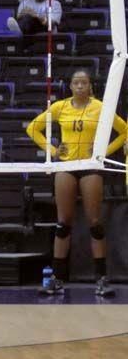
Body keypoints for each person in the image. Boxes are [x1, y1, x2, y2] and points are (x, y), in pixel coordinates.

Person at [26, 69, 126, 296]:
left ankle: (101, 279)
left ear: (90, 86)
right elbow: (33, 128)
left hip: (90, 165)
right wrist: (52, 150)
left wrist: (103, 152)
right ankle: (56, 279)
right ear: (70, 86)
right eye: (76, 83)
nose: (80, 86)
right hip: (67, 166)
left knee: (95, 223)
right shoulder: (60, 107)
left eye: (84, 83)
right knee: (63, 224)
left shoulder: (100, 107)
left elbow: (124, 131)